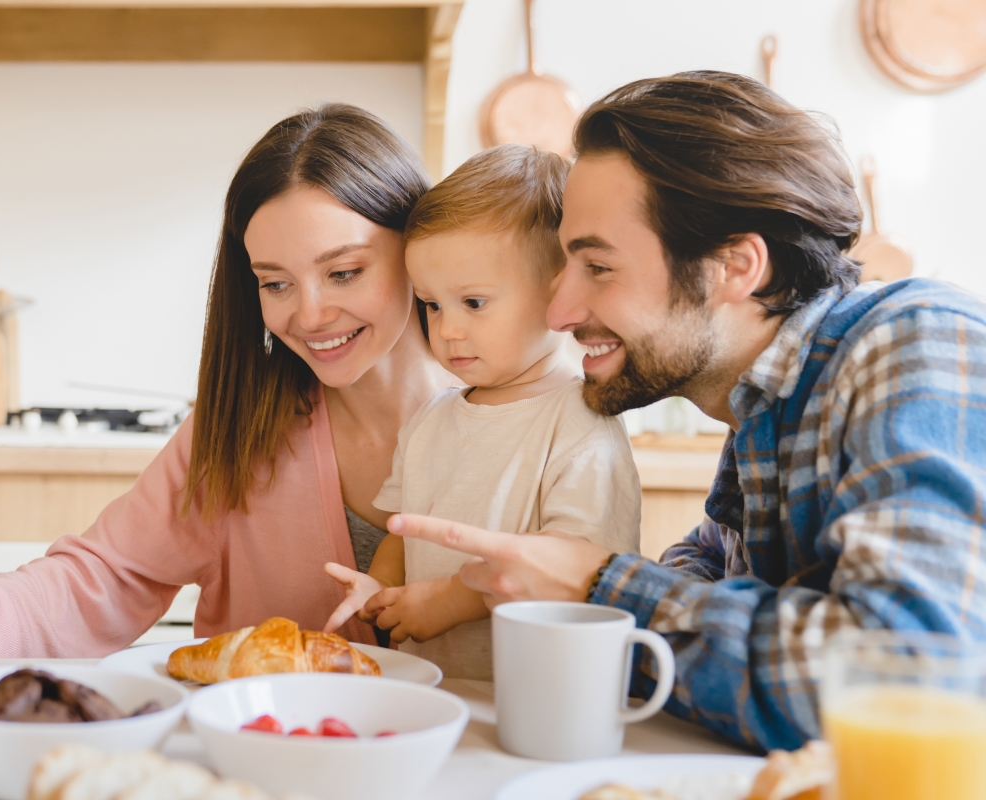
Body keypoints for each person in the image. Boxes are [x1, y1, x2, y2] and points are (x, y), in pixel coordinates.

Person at [386, 71, 986, 752]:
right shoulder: (758, 414)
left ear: (734, 266)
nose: (559, 311)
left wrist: (596, 584)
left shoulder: (920, 341)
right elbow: (700, 577)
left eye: (598, 268)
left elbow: (910, 685)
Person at [0, 104, 456, 655]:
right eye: (275, 283)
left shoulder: (522, 415)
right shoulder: (241, 427)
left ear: (417, 246)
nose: (308, 314)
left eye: (344, 273)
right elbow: (103, 576)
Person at [322, 145, 641, 680]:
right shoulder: (430, 421)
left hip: (538, 698)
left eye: (473, 303)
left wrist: (449, 599)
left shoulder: (583, 421)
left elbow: (577, 565)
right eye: (432, 304)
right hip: (440, 692)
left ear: (558, 290)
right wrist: (382, 587)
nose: (446, 330)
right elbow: (405, 534)